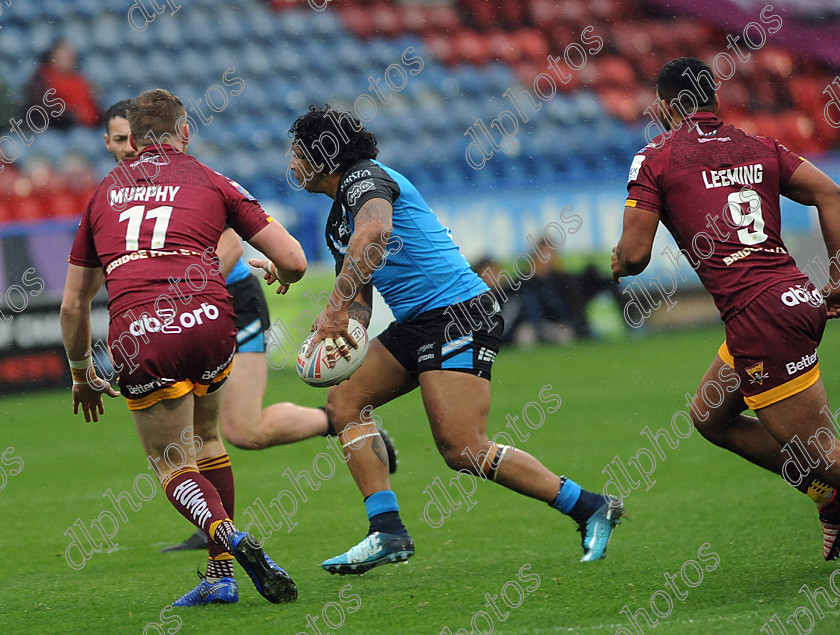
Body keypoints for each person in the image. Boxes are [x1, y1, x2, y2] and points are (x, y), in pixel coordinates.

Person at [284, 104, 623, 575]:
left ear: (323, 156)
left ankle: (588, 505)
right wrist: (347, 330)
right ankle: (387, 531)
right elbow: (361, 294)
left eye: (298, 153)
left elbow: (376, 231)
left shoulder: (365, 179)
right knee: (344, 404)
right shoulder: (337, 220)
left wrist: (332, 307)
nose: (292, 164)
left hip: (458, 315)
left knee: (462, 448)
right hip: (418, 321)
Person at [101, 101, 398, 553]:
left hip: (226, 303)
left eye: (131, 139)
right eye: (118, 141)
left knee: (243, 430)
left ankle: (336, 421)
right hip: (175, 318)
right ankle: (217, 533)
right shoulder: (116, 192)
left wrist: (178, 306)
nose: (127, 149)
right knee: (194, 436)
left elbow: (232, 249)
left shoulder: (190, 180)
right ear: (109, 143)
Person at [61, 89, 305, 605]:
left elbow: (73, 305)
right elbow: (295, 260)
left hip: (142, 333)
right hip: (213, 321)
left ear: (132, 137)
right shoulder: (212, 180)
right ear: (185, 132)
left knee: (173, 463)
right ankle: (221, 578)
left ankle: (229, 539)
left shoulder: (102, 193)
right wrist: (281, 273)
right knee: (209, 439)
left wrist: (82, 374)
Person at [612, 57, 840, 560]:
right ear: (715, 99)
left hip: (762, 318)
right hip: (792, 299)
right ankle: (828, 497)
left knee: (824, 454)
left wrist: (620, 265)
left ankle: (830, 487)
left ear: (667, 107)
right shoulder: (758, 146)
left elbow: (634, 255)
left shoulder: (656, 157)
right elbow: (830, 193)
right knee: (711, 416)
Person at [25, 40, 100, 128]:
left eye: (69, 57)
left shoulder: (79, 79)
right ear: (52, 57)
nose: (66, 60)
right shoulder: (42, 79)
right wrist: (70, 116)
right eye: (62, 56)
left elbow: (92, 106)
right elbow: (40, 108)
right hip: (56, 128)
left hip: (86, 127)